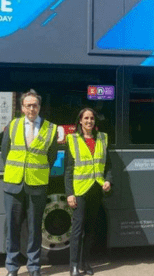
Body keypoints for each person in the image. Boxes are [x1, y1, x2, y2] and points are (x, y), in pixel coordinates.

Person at [1, 90, 62, 276]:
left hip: (37, 186)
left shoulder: (50, 128)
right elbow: (4, 154)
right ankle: (12, 266)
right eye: (28, 105)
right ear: (22, 108)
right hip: (13, 184)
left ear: (39, 107)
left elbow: (51, 158)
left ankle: (34, 266)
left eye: (35, 105)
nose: (31, 108)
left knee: (35, 228)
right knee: (12, 227)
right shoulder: (12, 126)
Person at [65, 108, 112, 276]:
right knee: (77, 230)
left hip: (96, 189)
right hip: (80, 191)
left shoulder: (102, 138)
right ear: (80, 121)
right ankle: (74, 266)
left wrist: (108, 180)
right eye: (86, 118)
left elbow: (108, 165)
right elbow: (68, 170)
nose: (89, 121)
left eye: (92, 118)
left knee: (90, 230)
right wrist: (70, 193)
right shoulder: (72, 139)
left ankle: (86, 263)